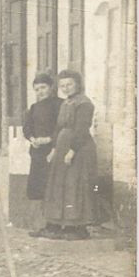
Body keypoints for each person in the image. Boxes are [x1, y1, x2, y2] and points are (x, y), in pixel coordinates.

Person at [37, 70, 99, 240]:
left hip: (79, 150)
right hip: (62, 148)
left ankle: (77, 228)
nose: (66, 88)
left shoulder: (85, 103)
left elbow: (81, 129)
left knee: (74, 185)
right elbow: (58, 128)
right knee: (59, 185)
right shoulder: (66, 103)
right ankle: (56, 226)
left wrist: (72, 151)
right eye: (62, 86)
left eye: (69, 84)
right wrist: (54, 149)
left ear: (78, 84)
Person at [23, 73, 62, 207]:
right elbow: (27, 127)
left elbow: (62, 126)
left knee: (54, 186)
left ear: (51, 87)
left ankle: (56, 222)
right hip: (38, 152)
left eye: (43, 87)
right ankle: (44, 223)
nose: (41, 91)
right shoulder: (34, 107)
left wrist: (50, 139)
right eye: (37, 89)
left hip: (54, 149)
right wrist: (32, 139)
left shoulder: (60, 104)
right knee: (40, 188)